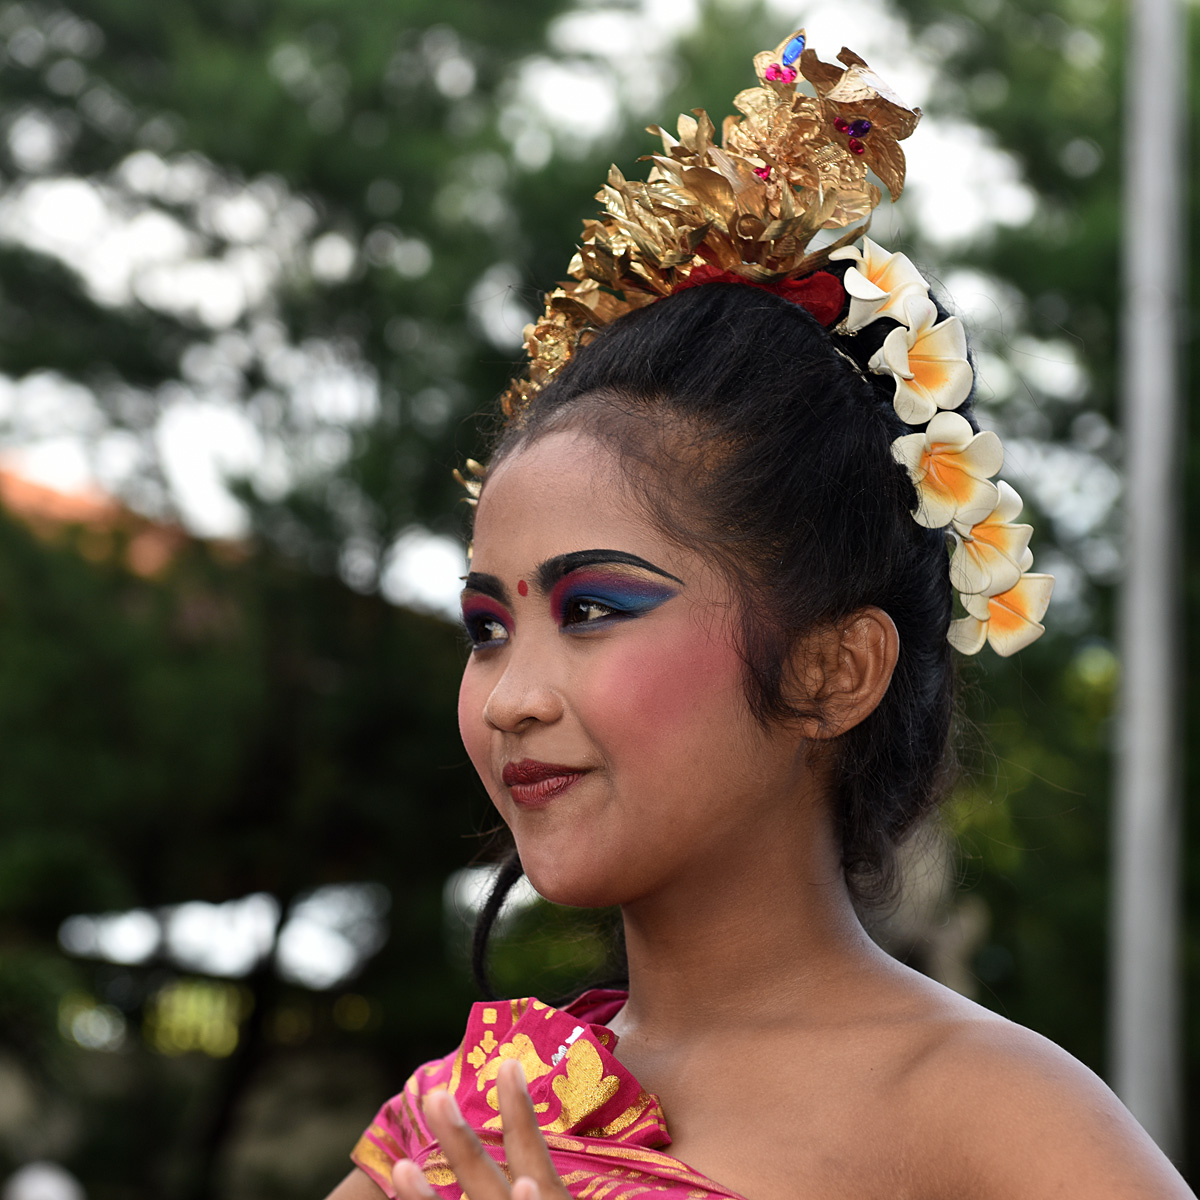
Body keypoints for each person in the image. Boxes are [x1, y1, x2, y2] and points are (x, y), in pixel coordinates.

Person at [326, 30, 1194, 1200]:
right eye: (487, 628)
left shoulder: (994, 1123)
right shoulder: (459, 1122)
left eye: (592, 607)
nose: (511, 699)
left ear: (833, 671)